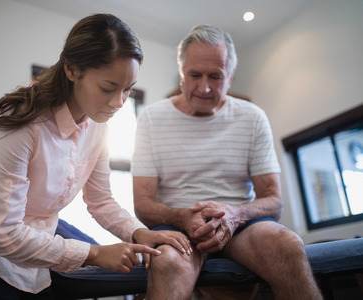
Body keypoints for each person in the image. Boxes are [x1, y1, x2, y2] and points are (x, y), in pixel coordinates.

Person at [0, 14, 191, 300]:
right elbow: (3, 234)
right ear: (71, 69)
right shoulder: (22, 121)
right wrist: (94, 253)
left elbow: (101, 200)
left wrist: (138, 232)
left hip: (33, 240)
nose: (118, 102)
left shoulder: (97, 127)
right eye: (108, 88)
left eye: (127, 90)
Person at [131, 24, 323, 300]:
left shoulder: (253, 116)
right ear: (182, 73)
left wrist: (235, 215)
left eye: (216, 77)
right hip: (176, 225)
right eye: (194, 75)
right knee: (168, 261)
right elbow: (143, 203)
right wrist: (182, 217)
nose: (204, 87)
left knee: (288, 244)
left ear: (230, 77)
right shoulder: (151, 118)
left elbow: (273, 199)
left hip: (240, 225)